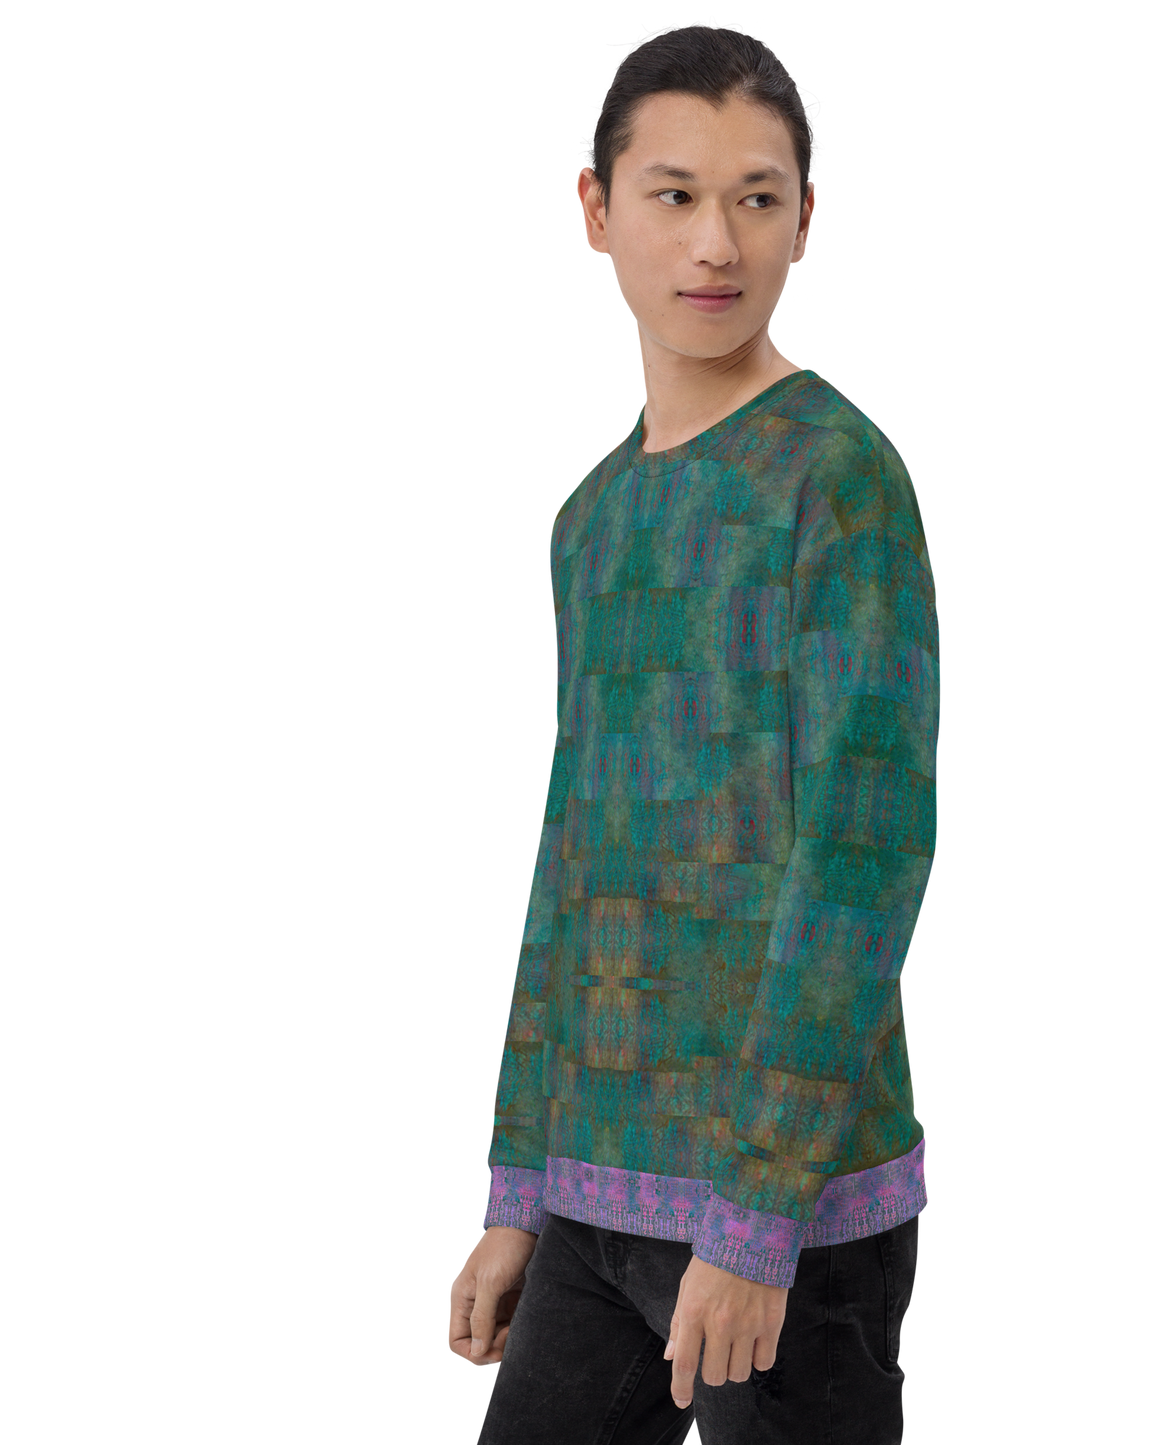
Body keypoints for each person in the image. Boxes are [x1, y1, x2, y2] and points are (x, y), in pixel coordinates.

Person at [445, 17, 939, 1444]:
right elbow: (572, 857)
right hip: (592, 1200)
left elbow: (864, 853)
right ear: (595, 210)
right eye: (675, 194)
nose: (717, 243)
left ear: (806, 223)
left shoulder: (840, 478)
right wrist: (516, 1191)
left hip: (788, 1225)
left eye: (757, 198)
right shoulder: (588, 516)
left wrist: (758, 1214)